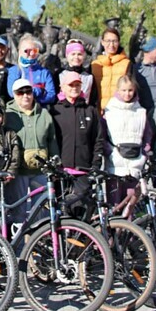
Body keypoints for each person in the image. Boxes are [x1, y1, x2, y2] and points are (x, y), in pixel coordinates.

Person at [49, 71, 105, 216]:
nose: (74, 88)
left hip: (83, 170)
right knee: (63, 212)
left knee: (82, 213)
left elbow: (98, 139)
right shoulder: (55, 110)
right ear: (62, 87)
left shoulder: (90, 110)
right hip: (62, 172)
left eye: (77, 85)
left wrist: (95, 165)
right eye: (71, 85)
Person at [4, 78, 59, 225]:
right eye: (20, 93)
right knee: (18, 211)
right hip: (18, 171)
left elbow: (52, 141)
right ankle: (19, 246)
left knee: (42, 209)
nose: (25, 95)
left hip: (40, 170)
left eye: (28, 91)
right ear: (14, 94)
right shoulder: (7, 114)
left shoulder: (45, 114)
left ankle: (41, 244)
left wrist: (55, 166)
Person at [102, 74, 152, 207]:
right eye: (124, 90)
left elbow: (147, 134)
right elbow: (103, 134)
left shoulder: (141, 111)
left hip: (135, 161)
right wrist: (109, 151)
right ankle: (114, 227)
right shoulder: (109, 110)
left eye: (130, 90)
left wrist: (145, 152)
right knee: (114, 202)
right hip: (115, 160)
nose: (127, 94)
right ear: (118, 90)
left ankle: (128, 227)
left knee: (130, 202)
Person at [6, 35, 56, 106]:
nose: (31, 54)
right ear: (19, 51)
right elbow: (12, 93)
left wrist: (33, 100)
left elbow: (51, 96)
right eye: (27, 51)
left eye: (35, 50)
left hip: (40, 111)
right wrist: (38, 90)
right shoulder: (14, 71)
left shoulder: (44, 72)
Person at [91, 27, 132, 113]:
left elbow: (132, 89)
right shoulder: (95, 65)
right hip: (100, 113)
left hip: (120, 112)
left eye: (115, 41)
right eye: (108, 41)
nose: (111, 44)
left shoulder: (126, 64)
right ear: (102, 42)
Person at [54, 39, 95, 104]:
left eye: (79, 54)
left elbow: (93, 99)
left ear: (83, 56)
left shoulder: (89, 76)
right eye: (73, 54)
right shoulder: (59, 75)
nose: (76, 57)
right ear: (67, 56)